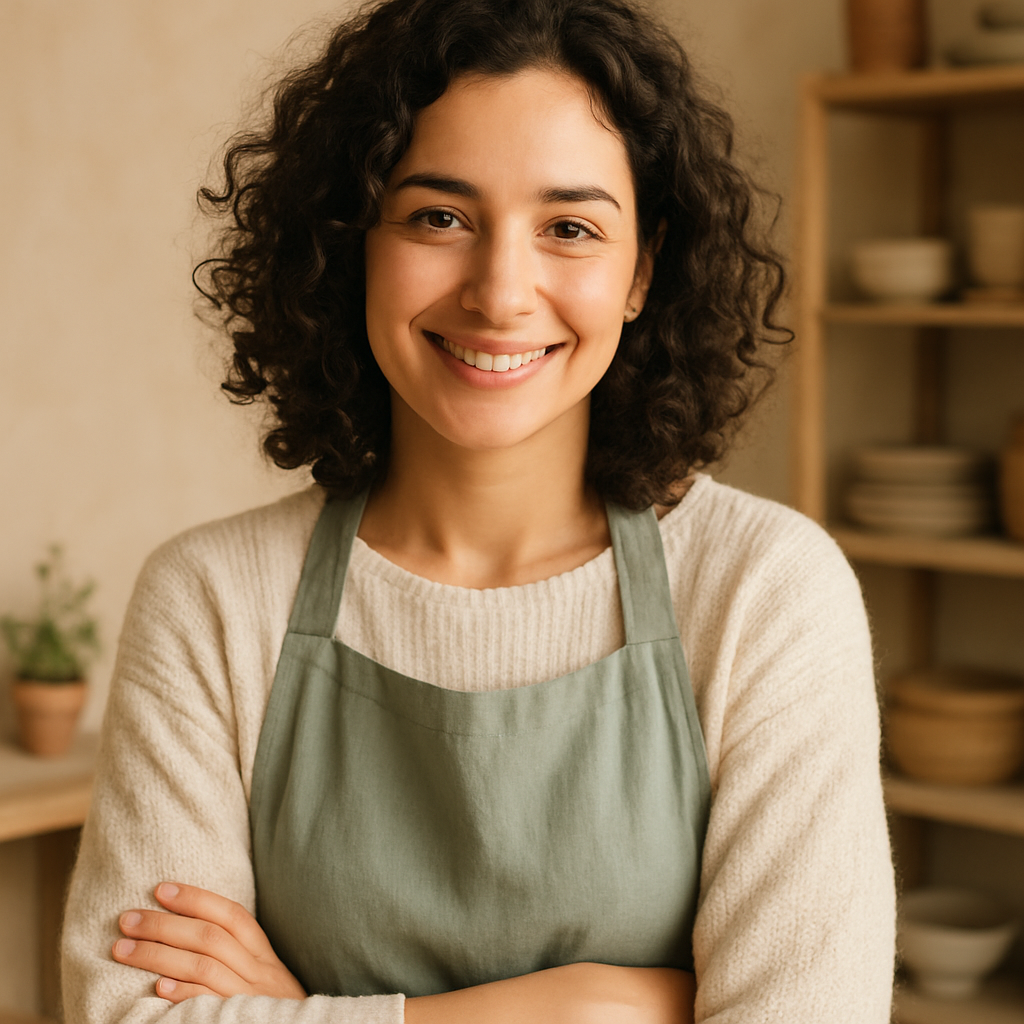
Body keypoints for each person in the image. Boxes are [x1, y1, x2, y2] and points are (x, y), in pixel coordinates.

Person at [60, 0, 896, 1021]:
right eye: (437, 217)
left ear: (640, 271)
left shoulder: (766, 592)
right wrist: (594, 1008)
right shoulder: (211, 601)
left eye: (570, 228)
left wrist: (301, 1008)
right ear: (352, 240)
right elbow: (128, 1010)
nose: (501, 291)